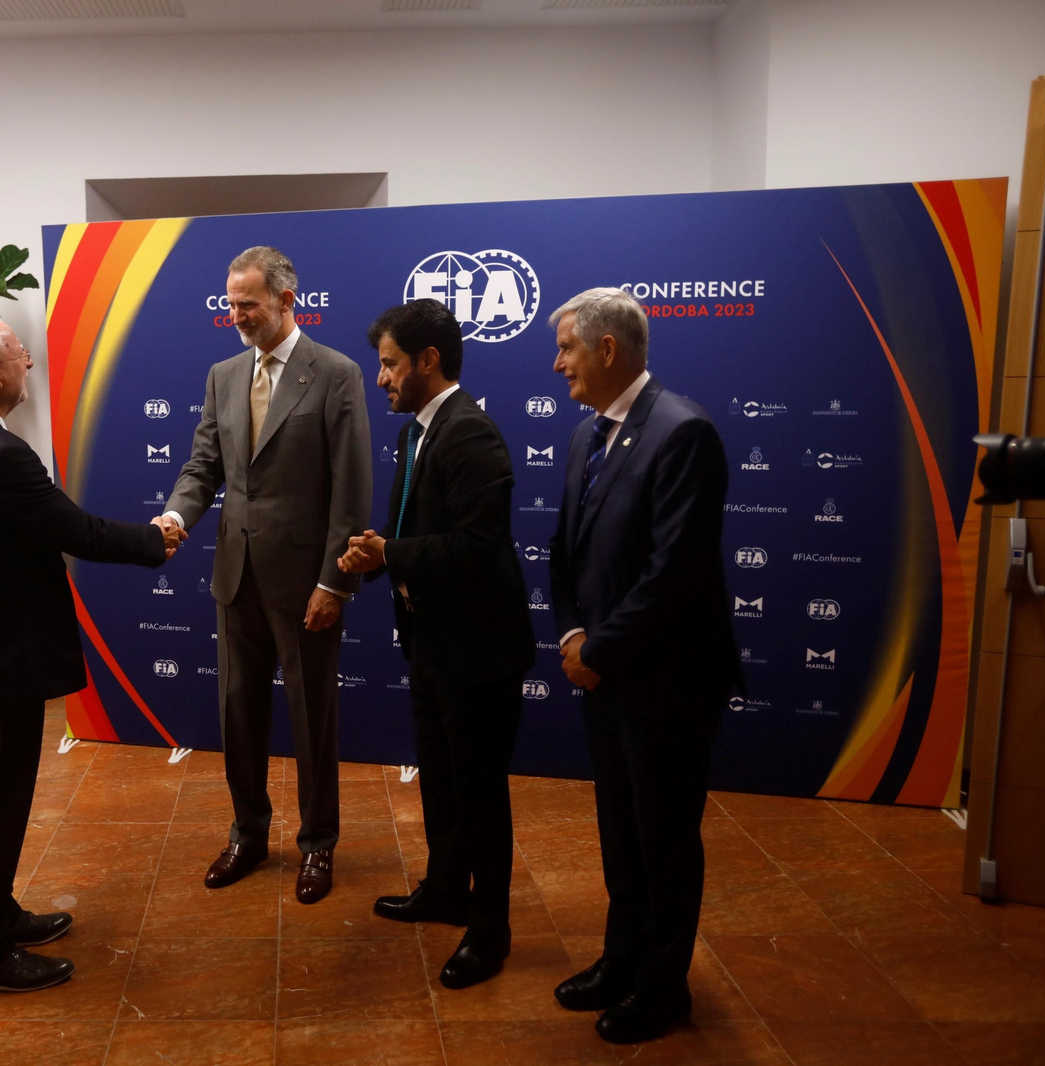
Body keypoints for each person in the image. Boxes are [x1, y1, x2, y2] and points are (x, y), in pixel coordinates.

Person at [0, 311, 181, 995]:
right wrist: (153, 539)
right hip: (2, 656)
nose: (30, 363)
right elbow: (76, 530)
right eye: (21, 355)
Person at [546, 288, 741, 1045]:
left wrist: (598, 650)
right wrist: (571, 636)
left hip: (666, 681)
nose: (556, 363)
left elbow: (674, 573)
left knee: (662, 840)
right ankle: (620, 960)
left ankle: (663, 989)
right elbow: (564, 553)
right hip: (602, 672)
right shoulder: (585, 435)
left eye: (565, 348)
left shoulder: (682, 432)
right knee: (619, 834)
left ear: (605, 350)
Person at [159, 246, 371, 904]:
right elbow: (203, 466)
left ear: (286, 300)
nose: (237, 315)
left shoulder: (335, 374)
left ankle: (318, 844)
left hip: (308, 582)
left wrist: (335, 583)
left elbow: (352, 486)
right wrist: (175, 516)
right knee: (238, 714)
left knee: (313, 719)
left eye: (247, 303)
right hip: (235, 577)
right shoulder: (222, 376)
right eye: (231, 303)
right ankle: (248, 834)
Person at [338, 299, 534, 989]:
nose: (381, 378)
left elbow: (479, 547)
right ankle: (447, 889)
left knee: (479, 791)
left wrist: (391, 553)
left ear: (429, 361)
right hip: (432, 641)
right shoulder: (418, 432)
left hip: (477, 648)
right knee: (443, 781)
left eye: (390, 364)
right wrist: (389, 554)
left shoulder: (471, 436)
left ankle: (491, 931)